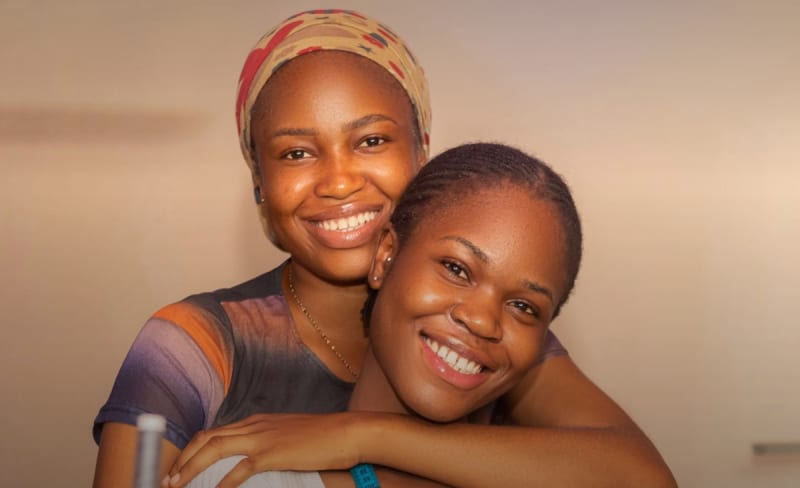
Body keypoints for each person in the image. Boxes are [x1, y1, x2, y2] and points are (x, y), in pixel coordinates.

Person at [92, 9, 675, 488]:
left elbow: (637, 474)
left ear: (422, 153)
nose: (340, 181)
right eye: (296, 153)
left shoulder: (482, 334)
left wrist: (360, 435)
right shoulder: (193, 343)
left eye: (371, 141)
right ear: (258, 181)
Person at [183, 141, 588, 488]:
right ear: (385, 255)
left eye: (523, 306)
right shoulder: (243, 477)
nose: (482, 320)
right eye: (456, 268)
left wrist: (365, 435)